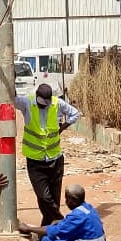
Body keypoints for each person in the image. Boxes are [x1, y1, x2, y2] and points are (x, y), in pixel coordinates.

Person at [14, 82, 81, 225]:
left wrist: (63, 127)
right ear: (36, 96)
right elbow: (12, 98)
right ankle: (62, 222)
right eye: (41, 103)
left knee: (54, 200)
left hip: (55, 159)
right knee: (44, 197)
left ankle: (47, 230)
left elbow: (75, 114)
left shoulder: (57, 104)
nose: (43, 106)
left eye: (46, 103)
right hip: (35, 160)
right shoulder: (27, 102)